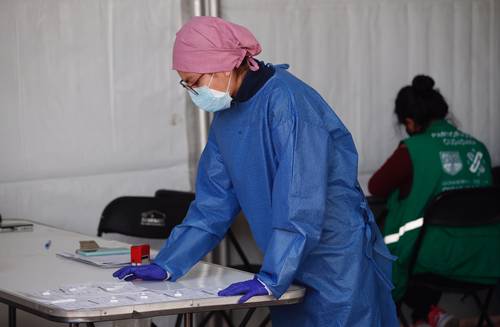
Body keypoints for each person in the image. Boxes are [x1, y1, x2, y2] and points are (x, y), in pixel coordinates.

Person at [114, 16, 399, 326]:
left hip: (334, 260)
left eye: (194, 82)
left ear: (223, 66)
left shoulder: (289, 105)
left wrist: (273, 276)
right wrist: (169, 263)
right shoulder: (227, 119)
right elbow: (212, 205)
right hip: (284, 260)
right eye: (185, 83)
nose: (191, 92)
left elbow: (300, 201)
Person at [369, 75, 500, 327]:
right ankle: (429, 317)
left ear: (409, 121)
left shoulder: (413, 150)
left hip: (433, 259)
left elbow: (377, 186)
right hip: (484, 257)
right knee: (426, 242)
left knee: (393, 250)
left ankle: (421, 316)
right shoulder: (478, 148)